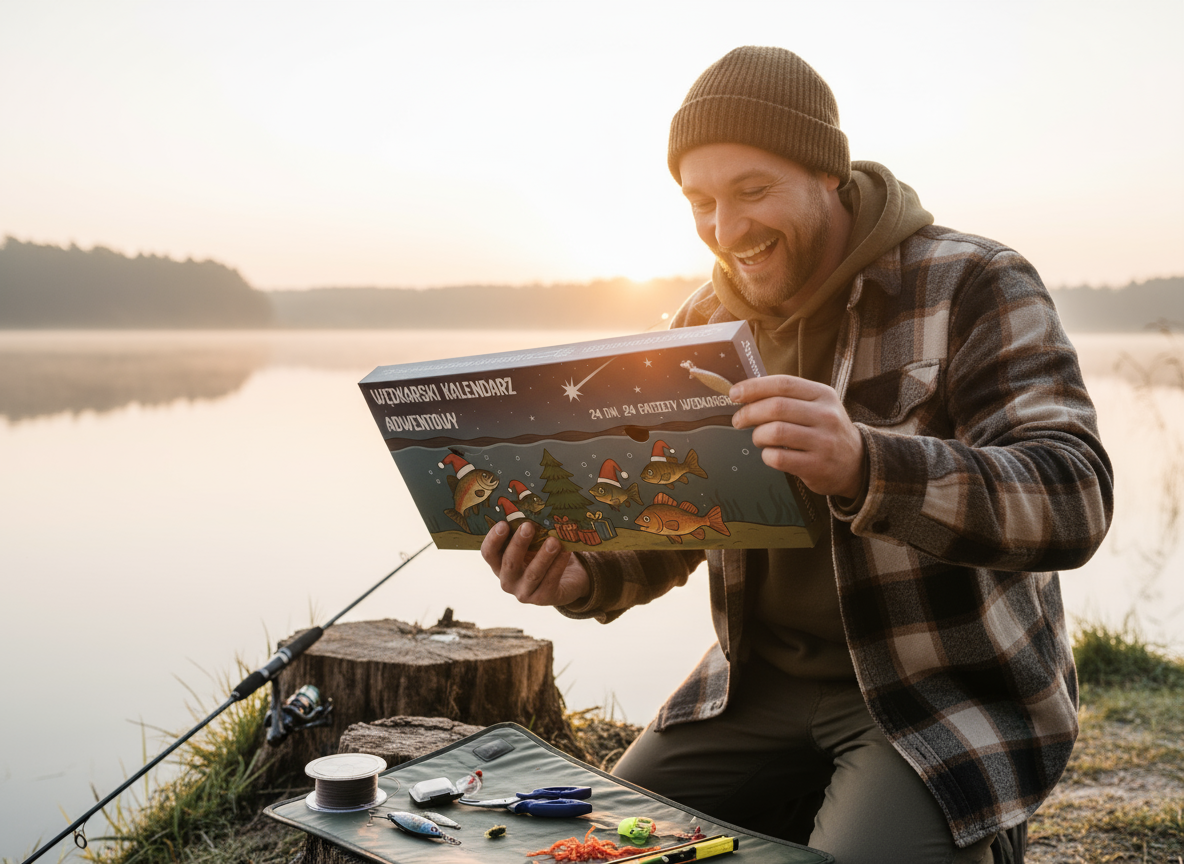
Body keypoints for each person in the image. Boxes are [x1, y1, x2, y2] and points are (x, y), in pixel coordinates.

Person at [481, 46, 1112, 864]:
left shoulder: (974, 282)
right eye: (700, 200)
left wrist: (867, 464)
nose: (727, 229)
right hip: (748, 693)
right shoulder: (700, 323)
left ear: (829, 173)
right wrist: (585, 574)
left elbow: (1075, 496)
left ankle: (977, 838)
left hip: (933, 698)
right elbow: (675, 519)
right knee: (595, 852)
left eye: (752, 191)